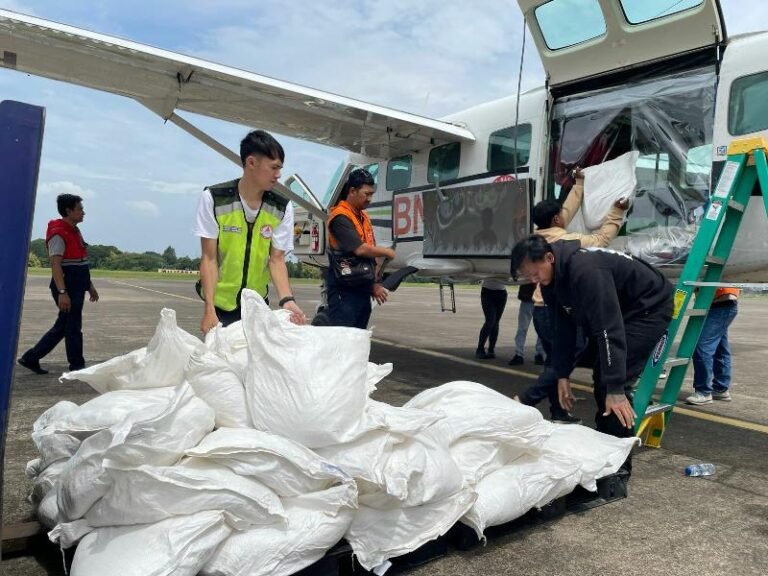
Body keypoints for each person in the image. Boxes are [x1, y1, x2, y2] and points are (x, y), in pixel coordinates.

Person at [511, 235, 674, 475]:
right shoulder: (551, 282)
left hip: (648, 307)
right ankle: (606, 447)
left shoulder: (586, 271)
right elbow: (563, 330)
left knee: (608, 383)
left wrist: (616, 387)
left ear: (549, 257)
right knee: (601, 370)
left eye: (536, 274)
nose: (535, 280)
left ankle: (618, 467)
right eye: (529, 277)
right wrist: (563, 374)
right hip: (621, 310)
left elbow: (609, 328)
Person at [515, 169, 629, 423]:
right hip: (556, 310)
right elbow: (601, 239)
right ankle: (524, 400)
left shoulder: (536, 237)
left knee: (555, 360)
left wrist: (579, 184)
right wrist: (617, 212)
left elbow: (565, 211)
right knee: (564, 357)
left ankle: (558, 412)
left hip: (539, 311)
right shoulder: (566, 241)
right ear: (557, 220)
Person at [195, 130, 305, 332]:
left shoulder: (281, 207)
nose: (278, 174)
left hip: (257, 306)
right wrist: (209, 309)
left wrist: (287, 300)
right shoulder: (214, 199)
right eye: (274, 168)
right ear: (251, 163)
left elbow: (277, 259)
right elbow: (209, 258)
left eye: (280, 168)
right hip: (220, 306)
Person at [18, 194, 99, 374]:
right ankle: (77, 366)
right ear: (69, 211)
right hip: (67, 287)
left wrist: (89, 285)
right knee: (73, 328)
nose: (83, 213)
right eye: (80, 209)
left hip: (77, 286)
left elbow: (81, 261)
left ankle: (31, 358)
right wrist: (62, 292)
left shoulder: (74, 231)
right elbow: (55, 265)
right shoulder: (58, 234)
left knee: (64, 326)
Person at [326, 168, 395, 329]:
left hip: (362, 289)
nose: (370, 199)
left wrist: (375, 284)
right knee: (344, 340)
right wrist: (386, 251)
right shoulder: (340, 217)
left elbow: (370, 257)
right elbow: (360, 249)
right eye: (367, 194)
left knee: (358, 338)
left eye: (372, 194)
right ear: (352, 191)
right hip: (344, 291)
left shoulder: (363, 218)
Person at [686, 287, 740, 405]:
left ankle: (704, 392)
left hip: (721, 304)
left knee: (702, 347)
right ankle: (721, 389)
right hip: (718, 304)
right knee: (720, 348)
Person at [508, 282, 545, 366]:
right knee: (524, 328)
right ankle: (534, 354)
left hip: (534, 299)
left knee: (528, 329)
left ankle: (521, 354)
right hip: (531, 299)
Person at [476, 279, 508, 359]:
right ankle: (480, 349)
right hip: (487, 292)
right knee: (490, 320)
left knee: (496, 322)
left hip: (501, 293)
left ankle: (491, 349)